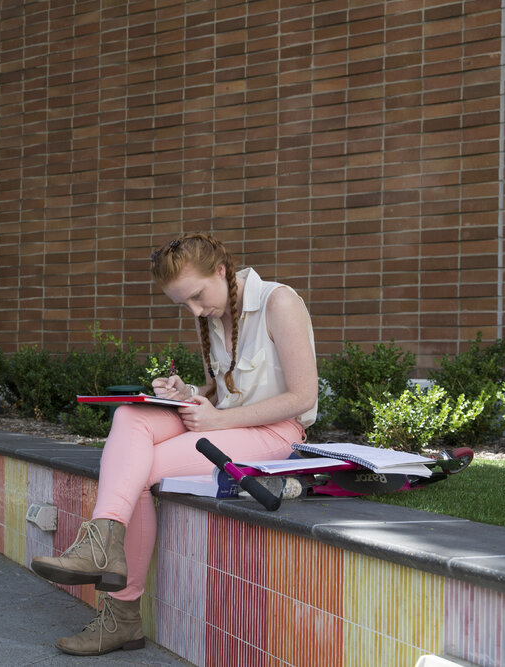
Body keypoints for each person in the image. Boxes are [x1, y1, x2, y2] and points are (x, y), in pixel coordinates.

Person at [31, 232, 319, 656]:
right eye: (185, 303)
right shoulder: (214, 314)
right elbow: (224, 393)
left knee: (140, 470)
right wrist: (187, 393)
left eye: (198, 296)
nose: (196, 310)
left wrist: (218, 419)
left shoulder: (280, 303)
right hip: (227, 425)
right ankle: (101, 546)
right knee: (130, 416)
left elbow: (303, 397)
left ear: (221, 271)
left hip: (276, 434)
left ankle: (121, 610)